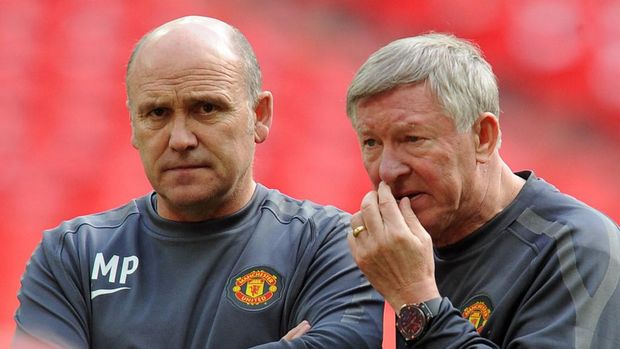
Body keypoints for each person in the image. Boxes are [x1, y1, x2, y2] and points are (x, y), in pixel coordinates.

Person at [13, 16, 383, 349]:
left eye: (206, 108)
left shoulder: (332, 244)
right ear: (133, 126)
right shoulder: (71, 255)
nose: (180, 139)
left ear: (259, 115)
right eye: (157, 113)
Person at [345, 32, 620, 348]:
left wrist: (415, 298)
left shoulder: (579, 248)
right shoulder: (406, 250)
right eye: (371, 143)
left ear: (483, 137)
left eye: (412, 139)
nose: (387, 170)